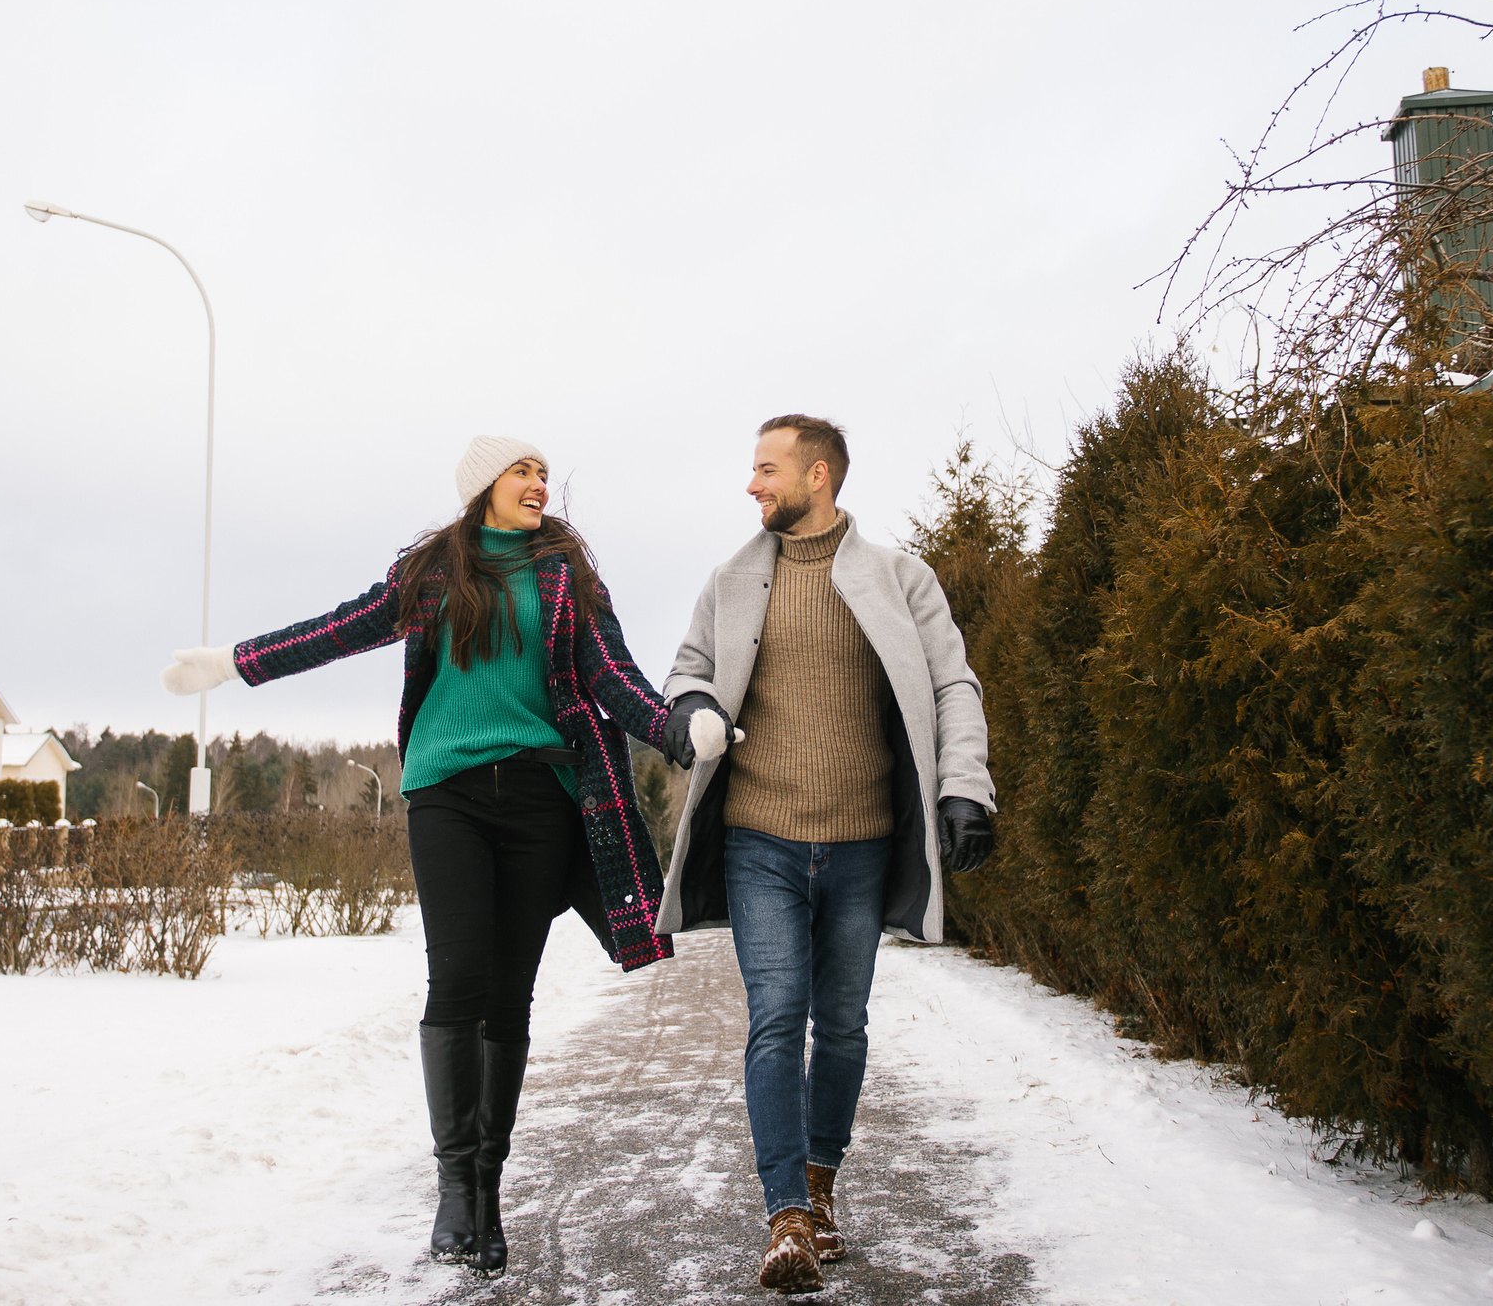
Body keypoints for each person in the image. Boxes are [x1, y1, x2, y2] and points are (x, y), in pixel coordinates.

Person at [157, 435, 677, 1276]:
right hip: (448, 794)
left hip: (543, 799)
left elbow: (613, 675)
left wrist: (677, 731)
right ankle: (454, 1191)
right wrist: (231, 664)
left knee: (507, 996)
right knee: (458, 979)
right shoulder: (435, 571)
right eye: (522, 471)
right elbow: (337, 631)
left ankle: (488, 1190)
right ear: (484, 486)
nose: (539, 483)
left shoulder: (569, 575)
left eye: (543, 473)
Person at [647, 414, 996, 1296]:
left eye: (768, 469)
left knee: (841, 1026)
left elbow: (953, 684)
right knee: (777, 1017)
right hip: (758, 840)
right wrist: (691, 710)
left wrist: (965, 786)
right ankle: (787, 1219)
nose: (752, 484)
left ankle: (820, 1181)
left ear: (819, 476)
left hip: (862, 844)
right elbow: (686, 671)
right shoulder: (731, 580)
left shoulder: (901, 579)